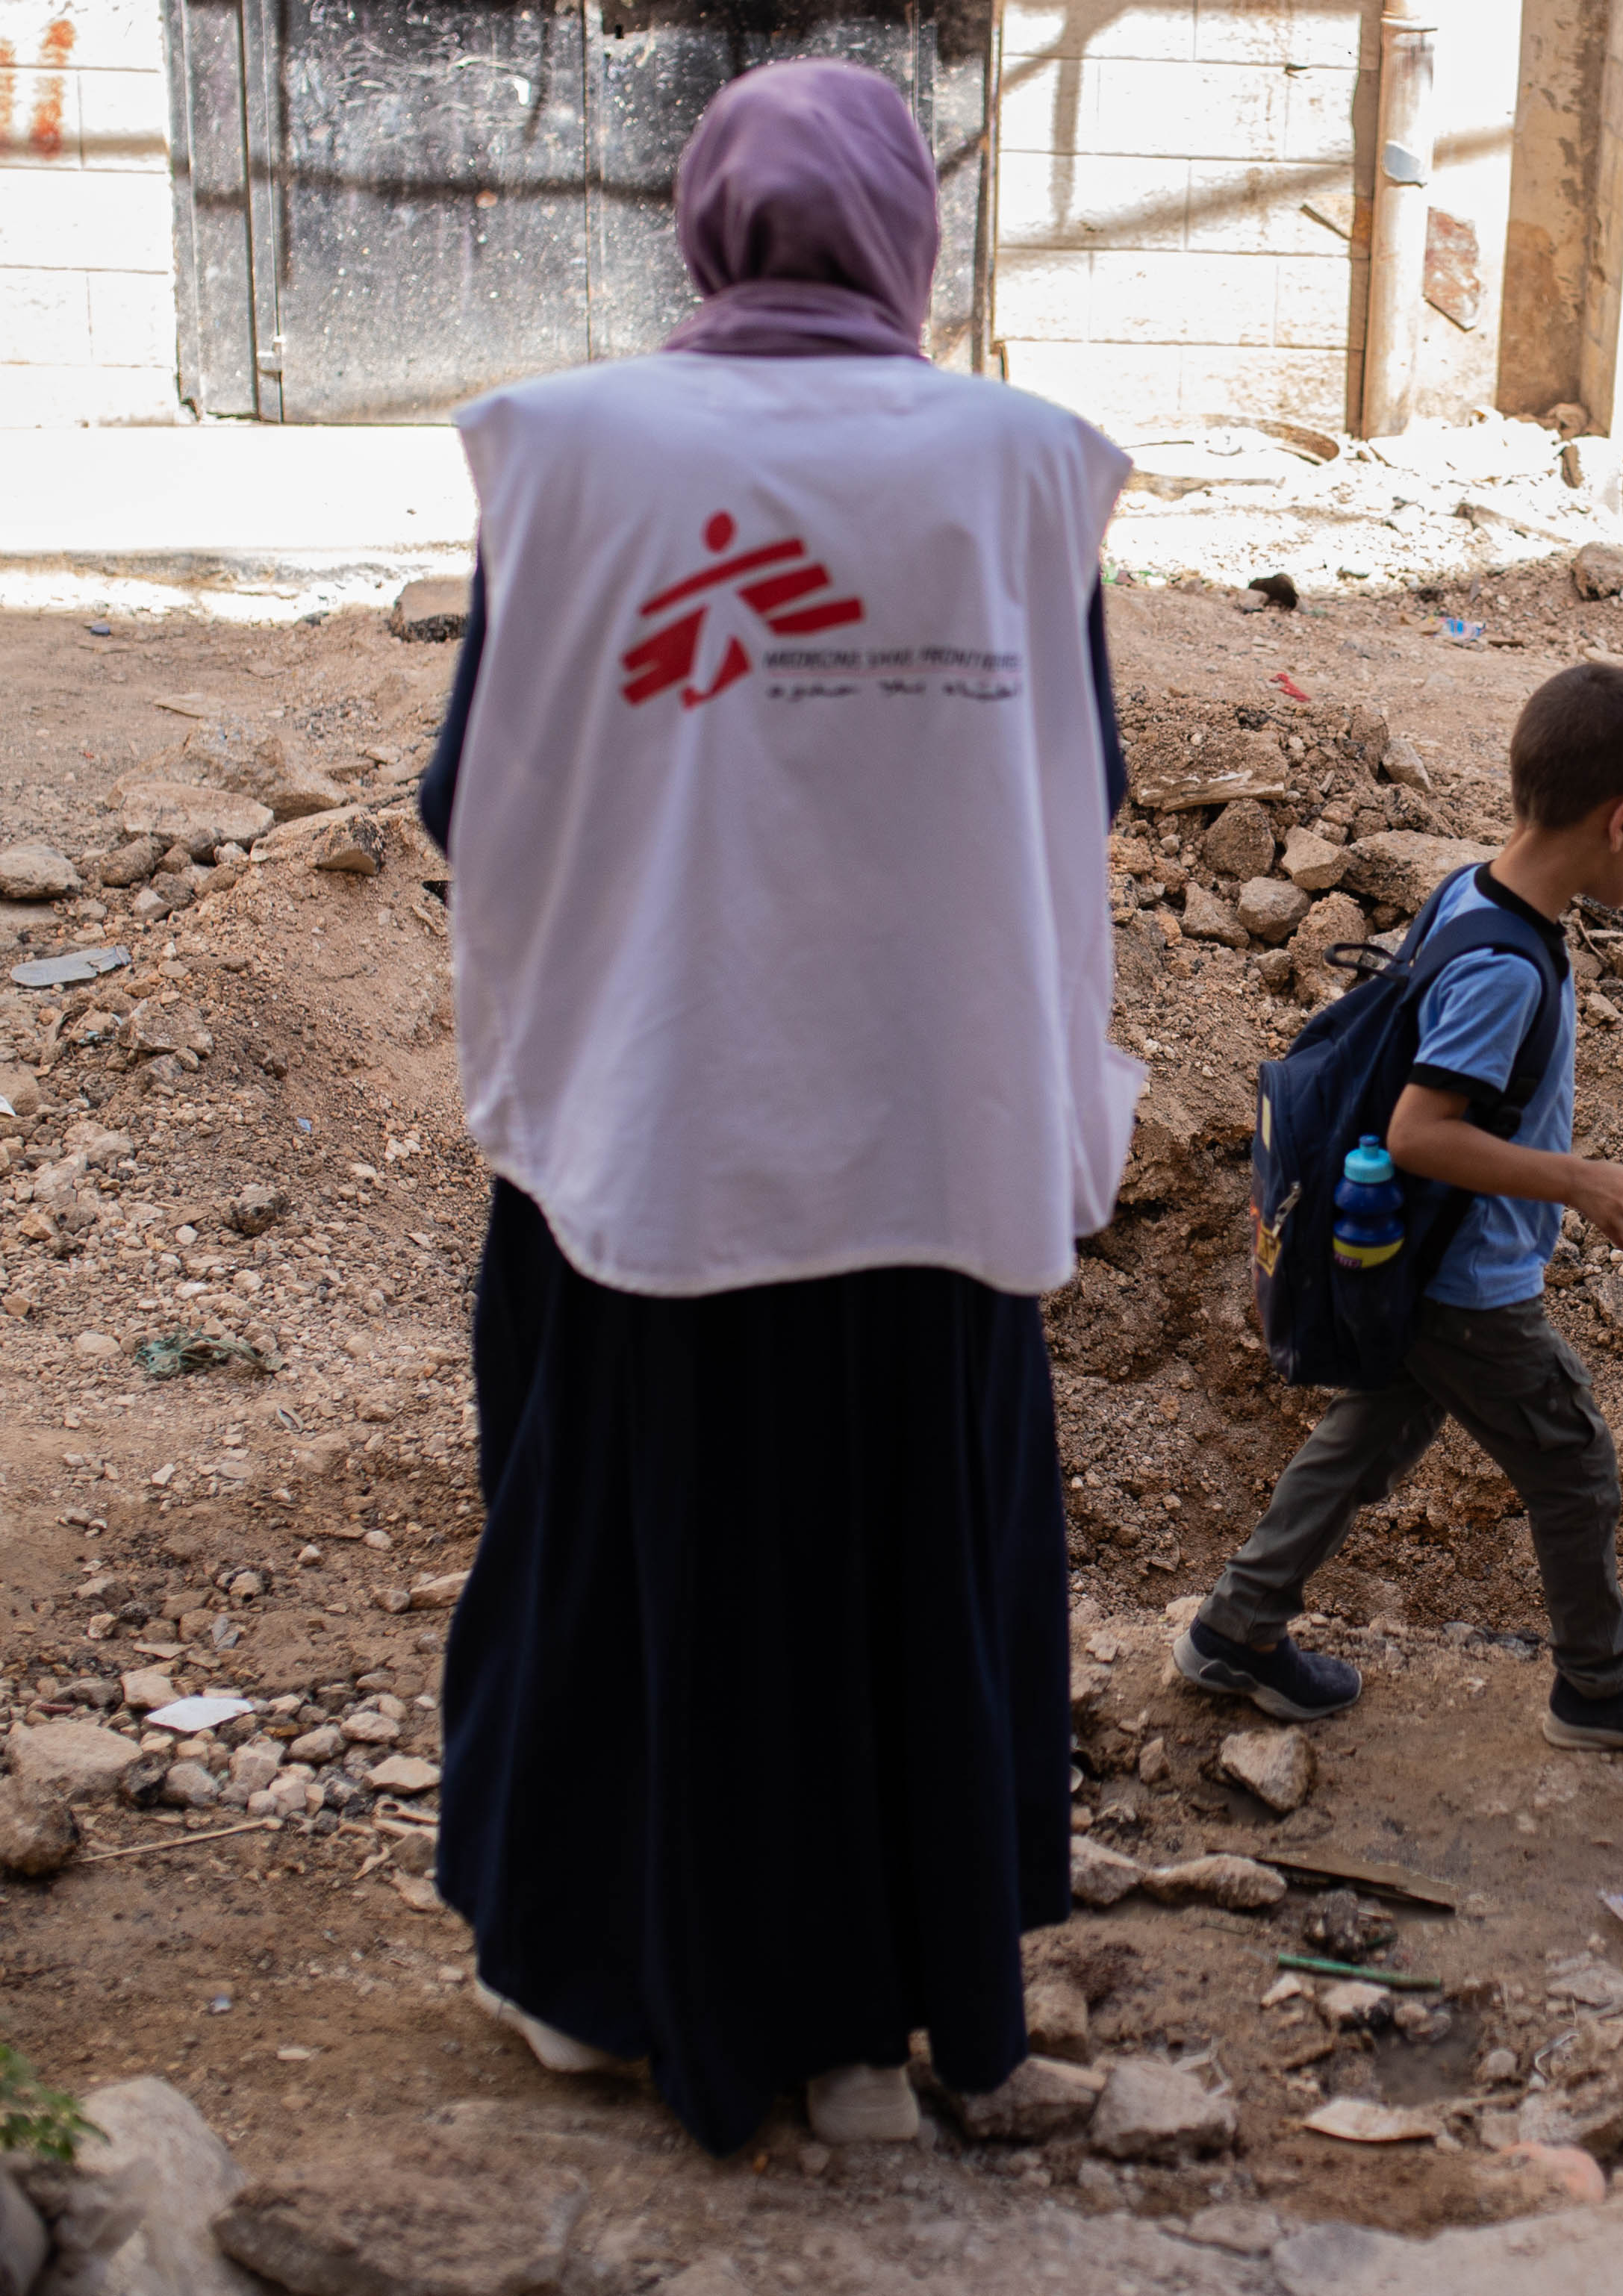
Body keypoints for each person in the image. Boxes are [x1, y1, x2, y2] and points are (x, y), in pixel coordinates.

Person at [412, 60, 1138, 2154]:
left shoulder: (565, 451)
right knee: (900, 1579)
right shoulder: (1022, 468)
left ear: (700, 221)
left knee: (635, 1564)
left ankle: (596, 1979)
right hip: (935, 1128)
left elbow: (471, 796)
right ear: (914, 231)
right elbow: (1069, 794)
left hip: (655, 1124)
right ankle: (885, 2010)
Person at [1177, 665, 1623, 1756]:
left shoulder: (1471, 889)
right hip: (1465, 1286)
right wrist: (1581, 1179)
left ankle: (1235, 1630)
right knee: (1573, 1461)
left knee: (1365, 1437)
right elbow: (1419, 1132)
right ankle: (1599, 1682)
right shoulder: (1508, 969)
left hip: (1414, 1262)